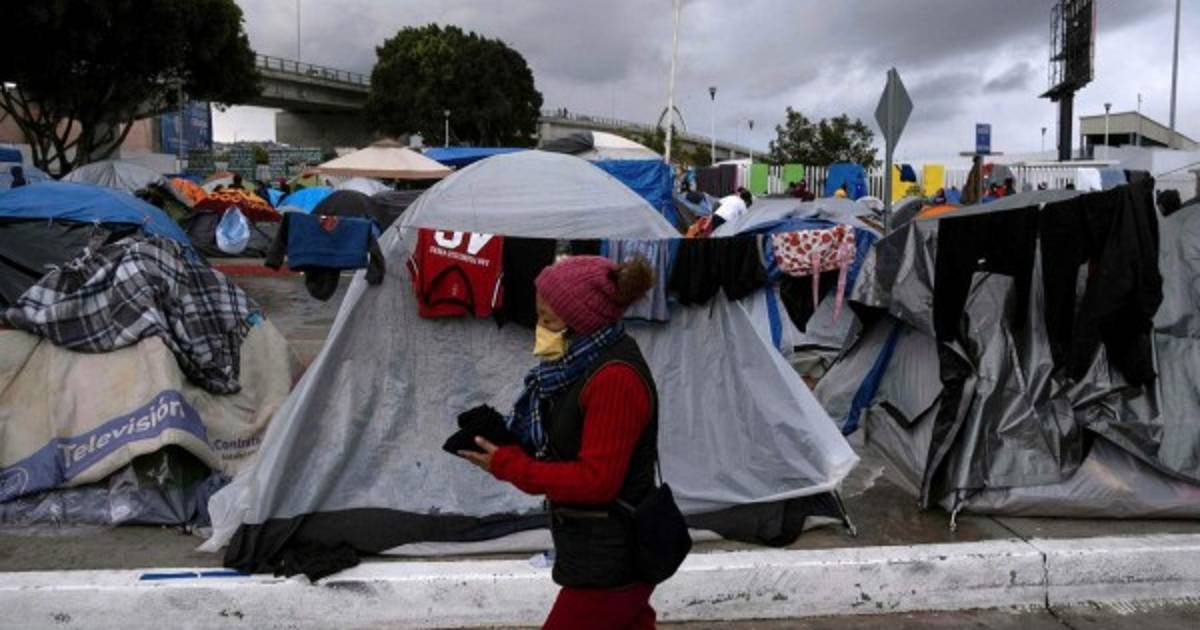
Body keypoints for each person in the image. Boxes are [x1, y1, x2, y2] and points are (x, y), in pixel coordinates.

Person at [458, 256, 663, 630]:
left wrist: (511, 466)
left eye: (548, 320)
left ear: (581, 323)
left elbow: (597, 481)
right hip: (596, 550)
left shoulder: (614, 379)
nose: (540, 328)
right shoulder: (576, 368)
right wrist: (507, 445)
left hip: (612, 560)